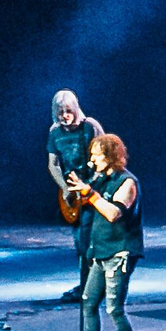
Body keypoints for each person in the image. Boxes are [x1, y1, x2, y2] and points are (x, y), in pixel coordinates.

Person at [76, 134, 143, 331]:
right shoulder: (100, 179)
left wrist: (91, 195)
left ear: (111, 155)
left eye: (97, 155)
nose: (92, 160)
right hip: (101, 252)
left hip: (120, 252)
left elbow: (114, 213)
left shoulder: (127, 182)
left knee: (114, 309)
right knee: (88, 302)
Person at [46, 91, 104, 303]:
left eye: (68, 111)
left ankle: (90, 288)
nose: (64, 116)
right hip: (72, 195)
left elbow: (104, 158)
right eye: (60, 112)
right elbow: (52, 164)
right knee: (80, 242)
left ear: (75, 109)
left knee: (87, 240)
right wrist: (64, 187)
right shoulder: (55, 132)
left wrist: (89, 186)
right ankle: (86, 285)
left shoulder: (90, 127)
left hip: (93, 191)